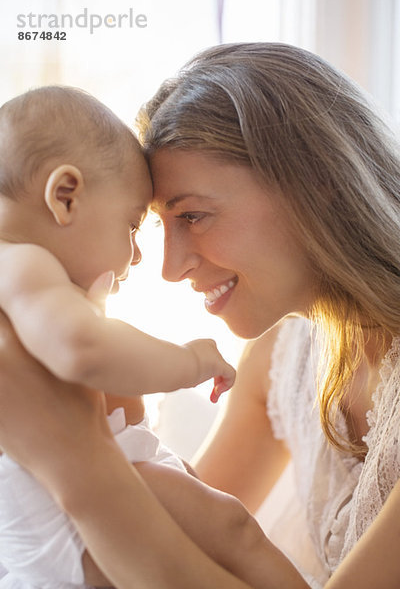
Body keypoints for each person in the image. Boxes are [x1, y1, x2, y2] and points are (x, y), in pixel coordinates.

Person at [0, 41, 400, 588]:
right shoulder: (284, 355)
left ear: (315, 182)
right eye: (159, 226)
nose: (168, 268)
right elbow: (188, 534)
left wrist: (78, 464)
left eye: (194, 215)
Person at [0, 86, 278, 589]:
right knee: (233, 529)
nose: (140, 256)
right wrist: (191, 361)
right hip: (65, 502)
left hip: (56, 500)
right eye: (132, 226)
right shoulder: (20, 263)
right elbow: (80, 348)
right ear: (65, 196)